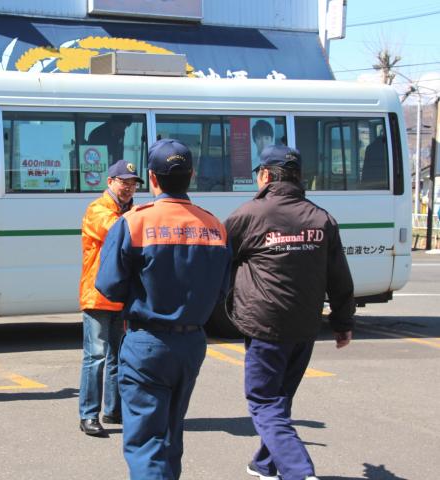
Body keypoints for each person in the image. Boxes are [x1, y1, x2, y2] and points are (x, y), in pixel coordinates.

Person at [96, 139, 232, 478]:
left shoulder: (133, 222)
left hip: (147, 343)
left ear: (152, 179)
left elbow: (109, 286)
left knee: (146, 442)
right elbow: (222, 290)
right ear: (192, 175)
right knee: (171, 435)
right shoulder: (215, 226)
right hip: (192, 344)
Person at [224, 145, 355, 480]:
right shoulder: (321, 218)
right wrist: (342, 323)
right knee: (279, 399)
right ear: (298, 177)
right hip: (305, 327)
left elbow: (217, 262)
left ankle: (299, 471)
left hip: (265, 325)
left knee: (264, 402)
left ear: (266, 176)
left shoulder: (249, 215)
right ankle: (265, 464)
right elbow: (339, 277)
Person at [78, 159, 143, 436]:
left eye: (132, 183)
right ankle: (88, 415)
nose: (128, 188)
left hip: (121, 296)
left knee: (118, 356)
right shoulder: (98, 210)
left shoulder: (131, 211)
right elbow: (120, 232)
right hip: (98, 296)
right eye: (123, 182)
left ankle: (113, 410)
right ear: (110, 182)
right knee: (96, 356)